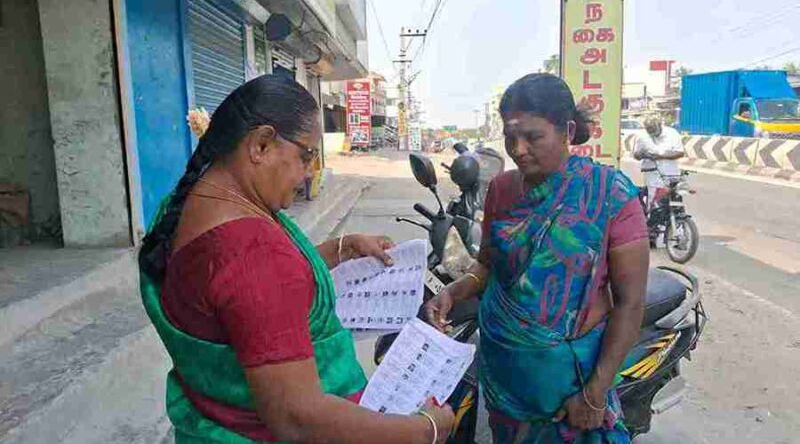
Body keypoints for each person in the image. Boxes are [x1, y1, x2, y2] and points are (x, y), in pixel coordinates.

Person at [138, 75, 454, 444]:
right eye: (306, 156)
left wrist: (341, 248)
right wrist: (425, 430)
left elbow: (240, 297)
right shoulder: (255, 256)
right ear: (261, 144)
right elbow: (298, 418)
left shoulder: (184, 208)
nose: (308, 174)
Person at [425, 73, 649, 443]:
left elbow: (630, 302)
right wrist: (453, 292)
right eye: (510, 137)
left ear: (567, 131)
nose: (518, 149)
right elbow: (487, 266)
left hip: (570, 386)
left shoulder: (609, 193)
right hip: (504, 375)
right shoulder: (501, 189)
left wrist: (594, 394)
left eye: (533, 137)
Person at [633, 117, 685, 211]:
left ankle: (676, 218)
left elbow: (680, 153)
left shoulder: (672, 133)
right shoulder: (641, 136)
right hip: (652, 173)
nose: (652, 134)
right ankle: (652, 217)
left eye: (654, 130)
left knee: (675, 201)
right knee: (654, 200)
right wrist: (643, 155)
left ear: (660, 125)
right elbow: (636, 155)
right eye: (650, 131)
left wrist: (661, 156)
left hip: (671, 173)